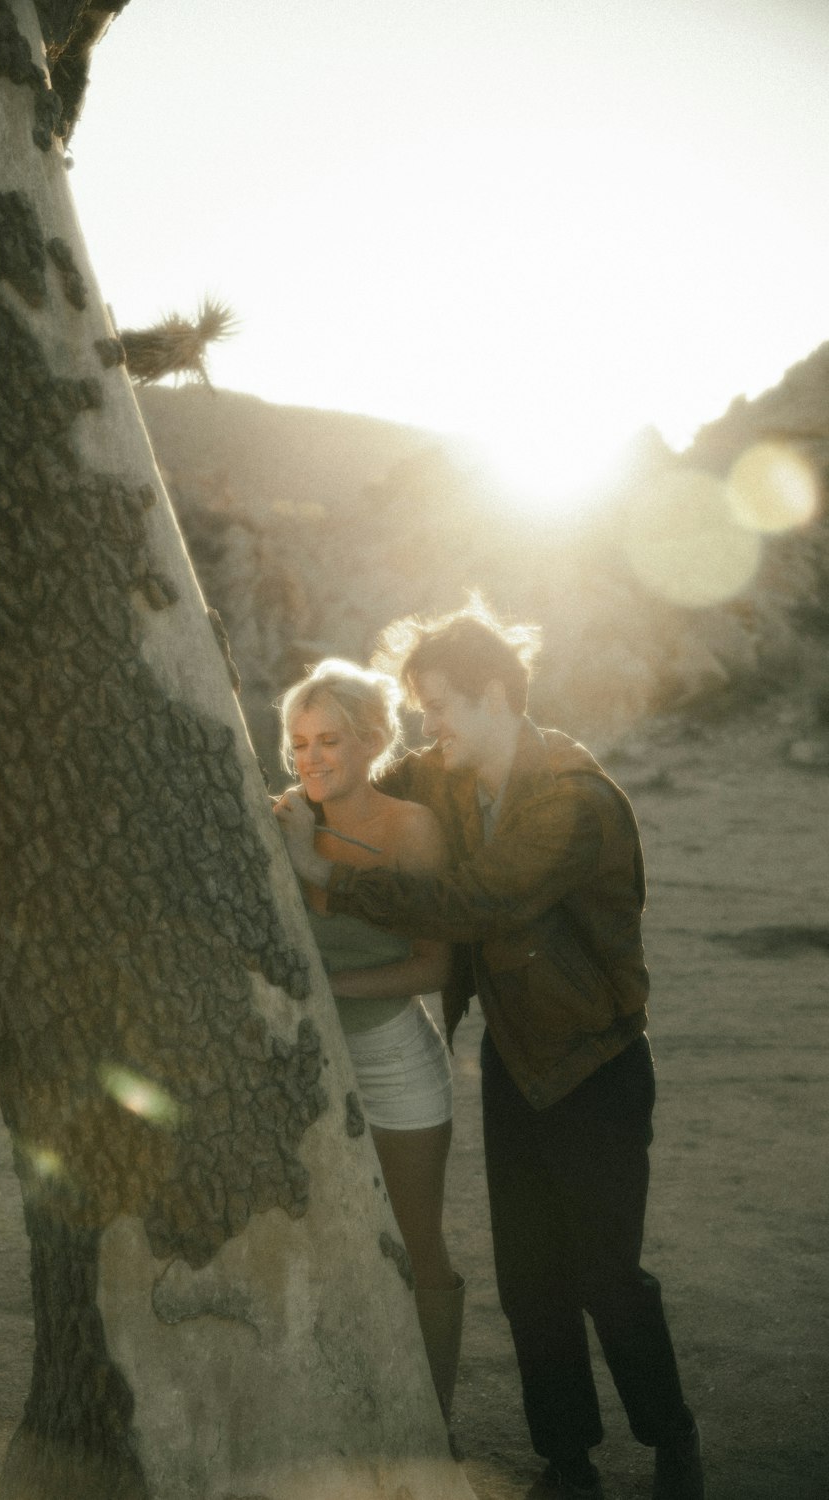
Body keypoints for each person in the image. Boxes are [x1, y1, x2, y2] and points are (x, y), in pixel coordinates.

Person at [275, 604, 704, 1500]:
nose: (430, 726)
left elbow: (478, 903)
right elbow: (361, 774)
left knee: (606, 1274)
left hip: (595, 1063)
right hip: (515, 1060)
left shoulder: (576, 804)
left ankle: (673, 1441)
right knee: (530, 1277)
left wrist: (328, 876)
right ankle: (568, 1460)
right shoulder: (451, 776)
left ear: (498, 694)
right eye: (422, 709)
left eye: (441, 706)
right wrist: (298, 794)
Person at [275, 658, 465, 1423]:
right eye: (299, 744)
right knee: (322, 1248)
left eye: (331, 740)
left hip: (393, 1063)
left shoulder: (409, 827)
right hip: (310, 1067)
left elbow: (432, 963)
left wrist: (329, 994)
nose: (313, 758)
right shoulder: (286, 816)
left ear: (373, 741)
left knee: (417, 1248)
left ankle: (437, 1432)